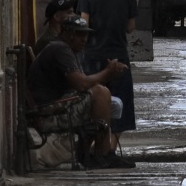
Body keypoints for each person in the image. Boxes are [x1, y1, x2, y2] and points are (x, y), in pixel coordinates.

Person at [28, 15, 131, 168]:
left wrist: (109, 74)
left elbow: (82, 83)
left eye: (86, 35)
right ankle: (102, 154)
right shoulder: (60, 48)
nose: (84, 39)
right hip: (46, 113)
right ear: (68, 34)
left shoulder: (68, 50)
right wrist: (107, 72)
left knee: (106, 96)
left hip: (57, 106)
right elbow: (81, 84)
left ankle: (94, 152)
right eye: (80, 34)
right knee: (100, 93)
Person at [77, 0, 140, 131]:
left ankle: (96, 147)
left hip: (93, 56)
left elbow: (84, 24)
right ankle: (111, 147)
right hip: (118, 55)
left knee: (95, 103)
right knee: (121, 105)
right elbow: (130, 27)